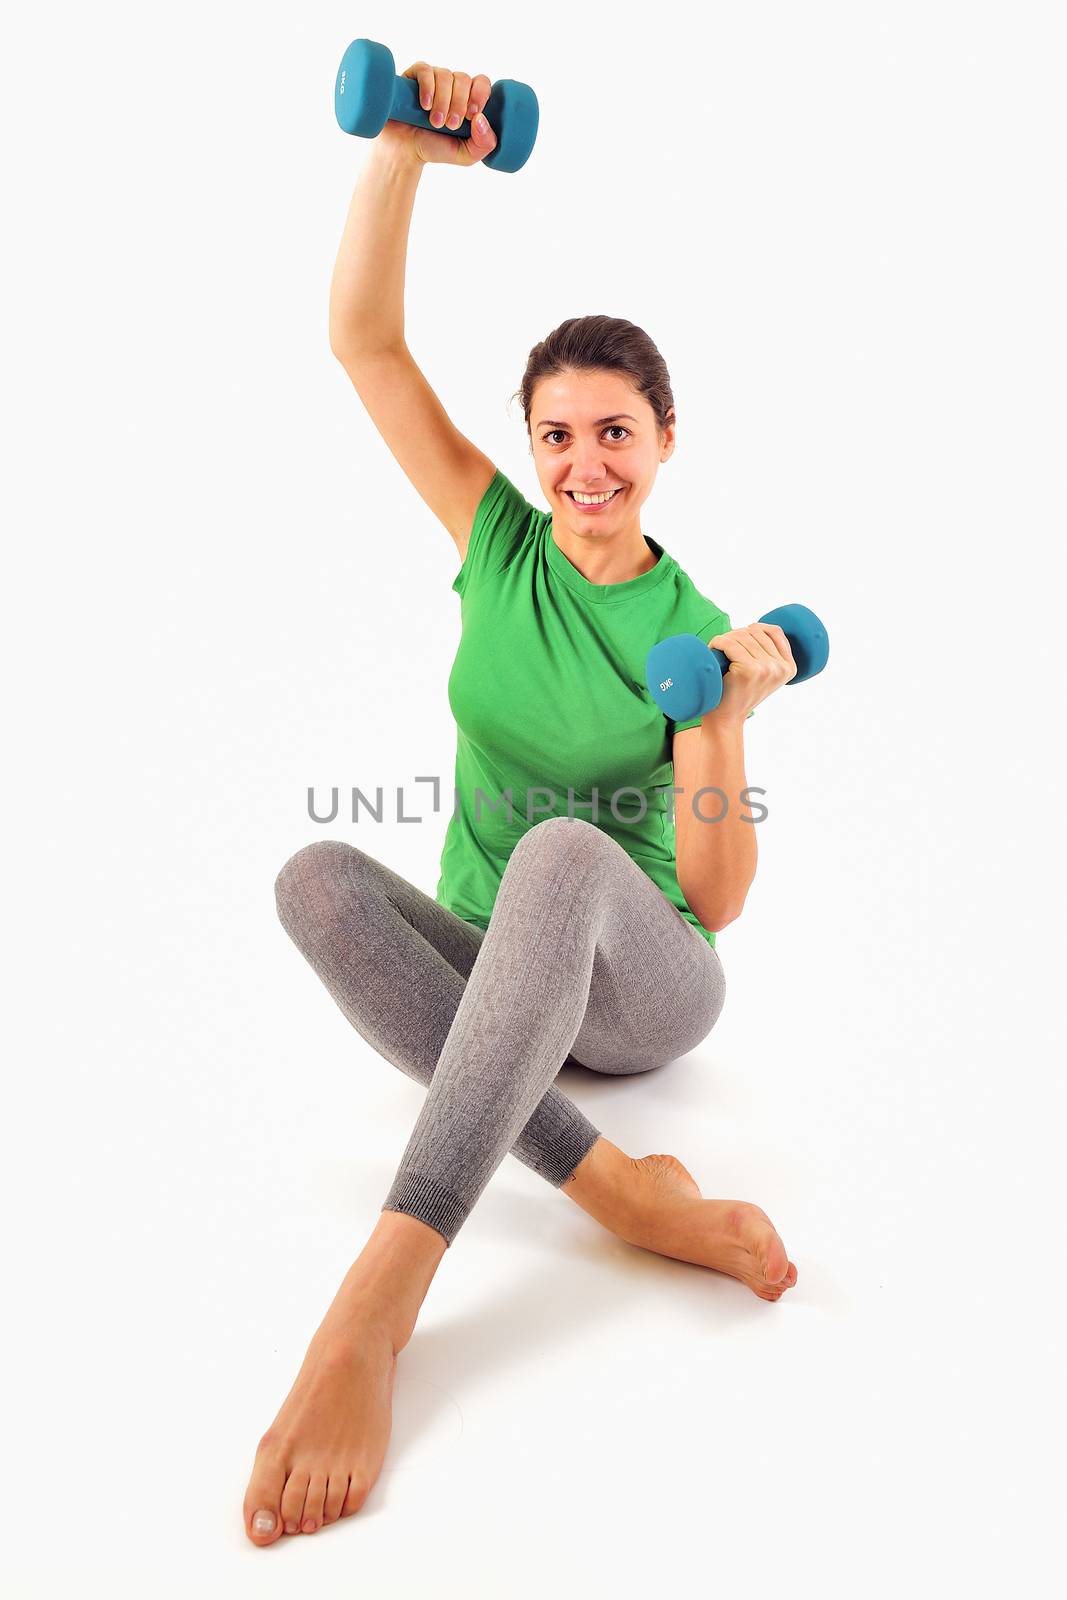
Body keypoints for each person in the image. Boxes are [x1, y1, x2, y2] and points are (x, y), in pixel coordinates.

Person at [243, 57, 799, 1548]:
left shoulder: (693, 634)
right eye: (558, 433)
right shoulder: (499, 542)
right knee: (314, 876)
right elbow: (363, 344)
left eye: (615, 431)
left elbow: (721, 900)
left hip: (640, 991)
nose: (581, 462)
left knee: (563, 844)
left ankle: (382, 1294)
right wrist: (412, 156)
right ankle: (613, 1189)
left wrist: (728, 722)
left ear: (665, 443)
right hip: (500, 972)